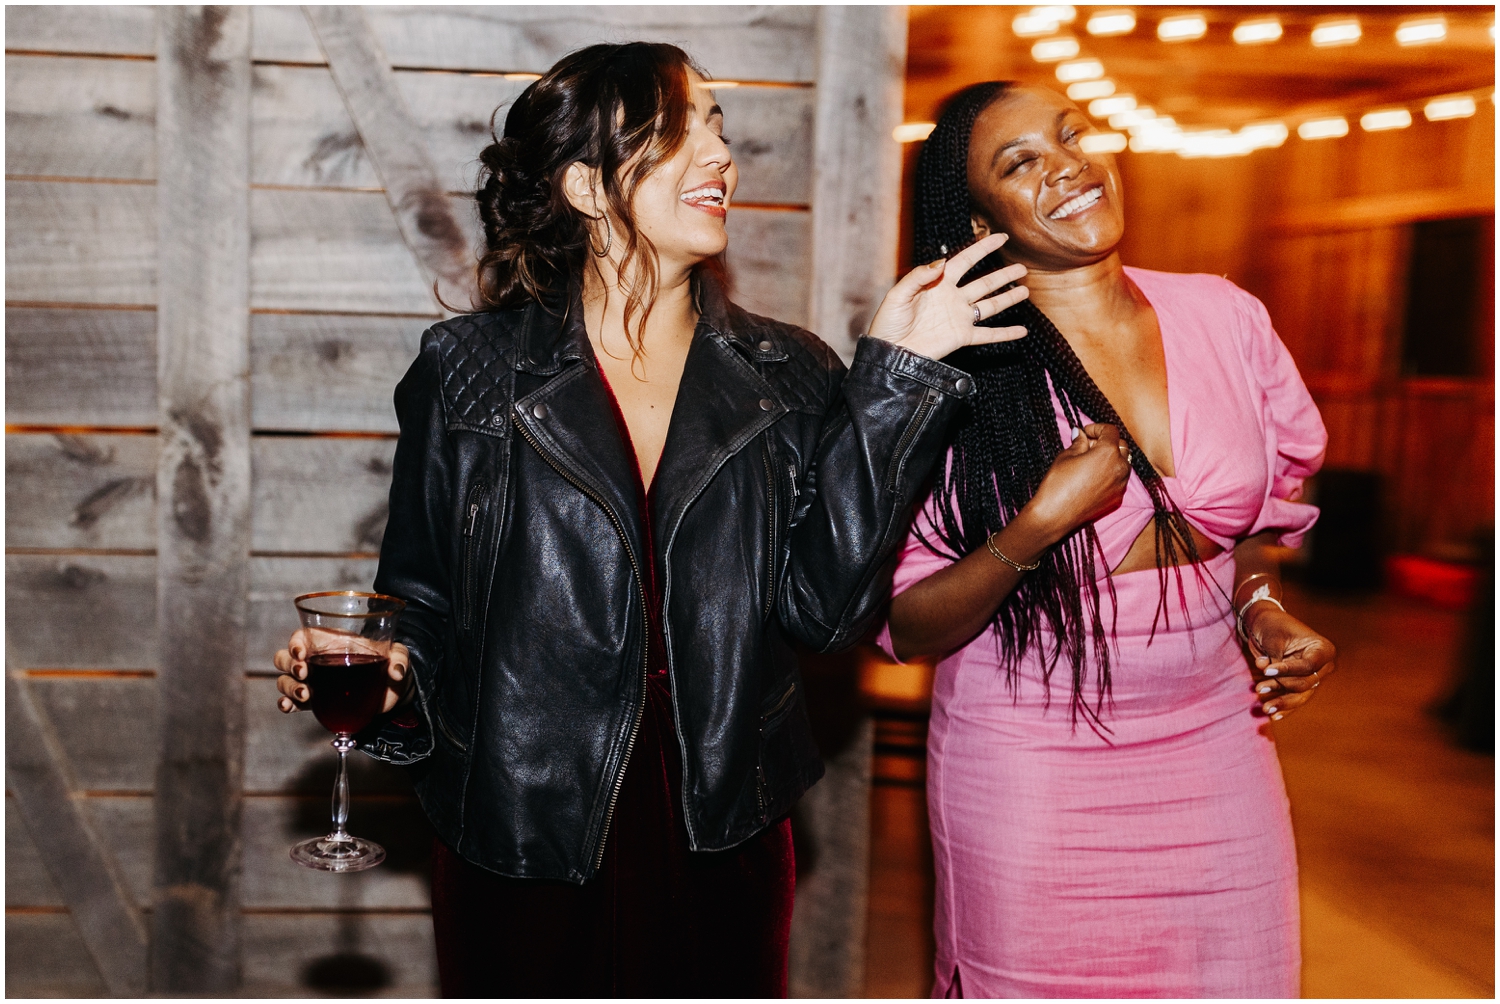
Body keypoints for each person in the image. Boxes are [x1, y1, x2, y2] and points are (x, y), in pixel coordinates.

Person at [274, 44, 1030, 996]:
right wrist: (387, 669)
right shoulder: (466, 371)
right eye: (678, 132)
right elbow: (420, 603)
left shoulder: (790, 372)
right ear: (587, 187)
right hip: (520, 829)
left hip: (724, 828)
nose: (720, 157)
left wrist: (893, 388)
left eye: (718, 129)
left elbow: (828, 615)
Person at [881, 82, 1338, 998]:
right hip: (1031, 769)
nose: (1070, 167)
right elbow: (907, 625)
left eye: (1073, 135)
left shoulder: (1223, 317)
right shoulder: (956, 371)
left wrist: (1261, 608)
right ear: (978, 222)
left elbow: (1255, 523)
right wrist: (1040, 522)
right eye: (1022, 163)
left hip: (1219, 748)